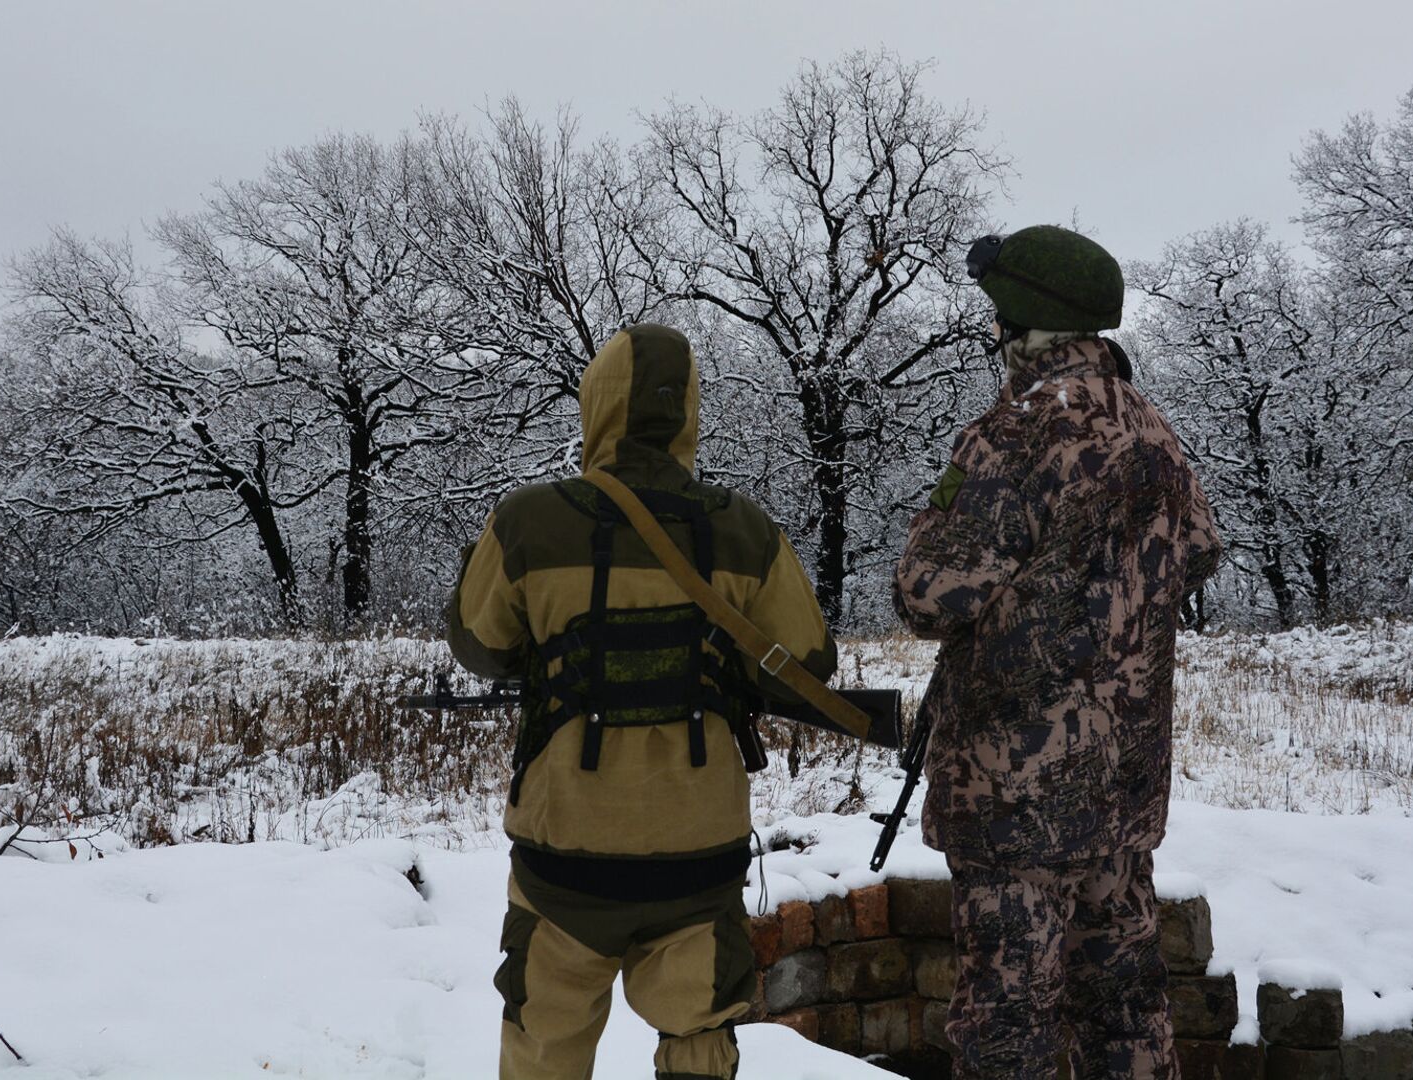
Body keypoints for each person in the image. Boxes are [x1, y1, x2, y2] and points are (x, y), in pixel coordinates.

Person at [447, 322, 837, 1080]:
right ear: (689, 413)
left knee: (543, 1046)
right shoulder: (746, 529)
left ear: (596, 405)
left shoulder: (527, 519)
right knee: (699, 1038)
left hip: (563, 861)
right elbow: (807, 666)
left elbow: (478, 644)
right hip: (699, 855)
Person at [893, 226, 1223, 1080]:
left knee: (1010, 1031)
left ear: (1020, 322)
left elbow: (928, 593)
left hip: (1016, 796)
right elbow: (1200, 548)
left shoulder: (1015, 432)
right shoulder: (1152, 429)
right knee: (1127, 1014)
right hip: (1122, 787)